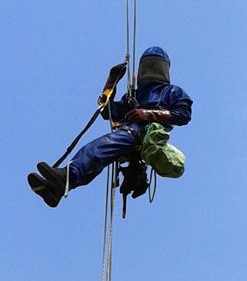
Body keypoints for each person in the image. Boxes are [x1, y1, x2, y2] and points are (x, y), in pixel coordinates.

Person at [28, 46, 193, 207]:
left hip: (145, 133)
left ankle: (66, 177)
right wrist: (111, 83)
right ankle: (57, 189)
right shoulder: (133, 95)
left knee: (98, 148)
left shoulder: (172, 92)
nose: (151, 69)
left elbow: (183, 115)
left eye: (155, 64)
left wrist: (146, 114)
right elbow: (107, 111)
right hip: (128, 132)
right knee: (98, 156)